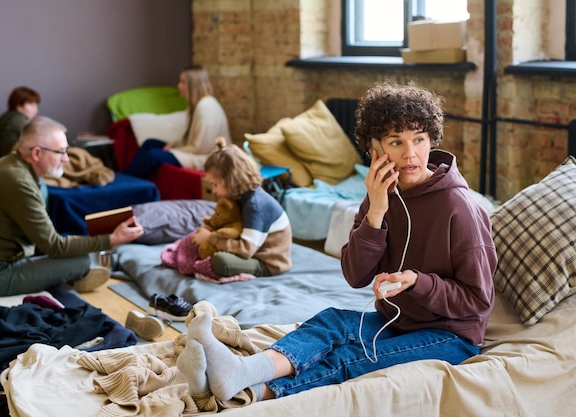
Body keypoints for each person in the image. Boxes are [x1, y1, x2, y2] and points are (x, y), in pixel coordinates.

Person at [176, 82, 497, 402]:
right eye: (396, 142)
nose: (410, 154)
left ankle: (251, 391)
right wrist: (376, 213)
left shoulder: (460, 208)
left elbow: (478, 300)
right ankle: (242, 371)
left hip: (451, 337)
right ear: (376, 151)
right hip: (399, 320)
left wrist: (418, 282)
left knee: (348, 358)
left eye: (419, 140)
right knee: (331, 322)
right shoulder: (379, 195)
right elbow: (355, 276)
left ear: (431, 140)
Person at [0, 116, 145, 298]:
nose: (66, 159)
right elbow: (54, 246)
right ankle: (73, 276)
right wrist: (111, 239)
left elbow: (44, 240)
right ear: (36, 153)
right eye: (61, 152)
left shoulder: (16, 168)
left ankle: (67, 275)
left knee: (71, 245)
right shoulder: (18, 182)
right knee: (81, 261)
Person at [192, 136, 292, 280]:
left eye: (215, 184)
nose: (214, 191)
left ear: (231, 181)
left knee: (220, 262)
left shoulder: (256, 205)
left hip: (267, 262)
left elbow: (245, 250)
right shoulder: (240, 197)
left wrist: (211, 238)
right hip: (255, 251)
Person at [123, 65, 231, 178]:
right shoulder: (194, 106)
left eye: (183, 82)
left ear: (193, 85)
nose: (179, 86)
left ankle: (125, 180)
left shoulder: (206, 107)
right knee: (150, 143)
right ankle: (127, 178)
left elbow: (200, 149)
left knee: (153, 155)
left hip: (205, 158)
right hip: (194, 151)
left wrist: (174, 150)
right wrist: (173, 144)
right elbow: (188, 139)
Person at [0, 86, 41, 156]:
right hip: (12, 160)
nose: (36, 110)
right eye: (32, 105)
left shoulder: (8, 117)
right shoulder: (17, 119)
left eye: (36, 106)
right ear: (19, 106)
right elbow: (39, 139)